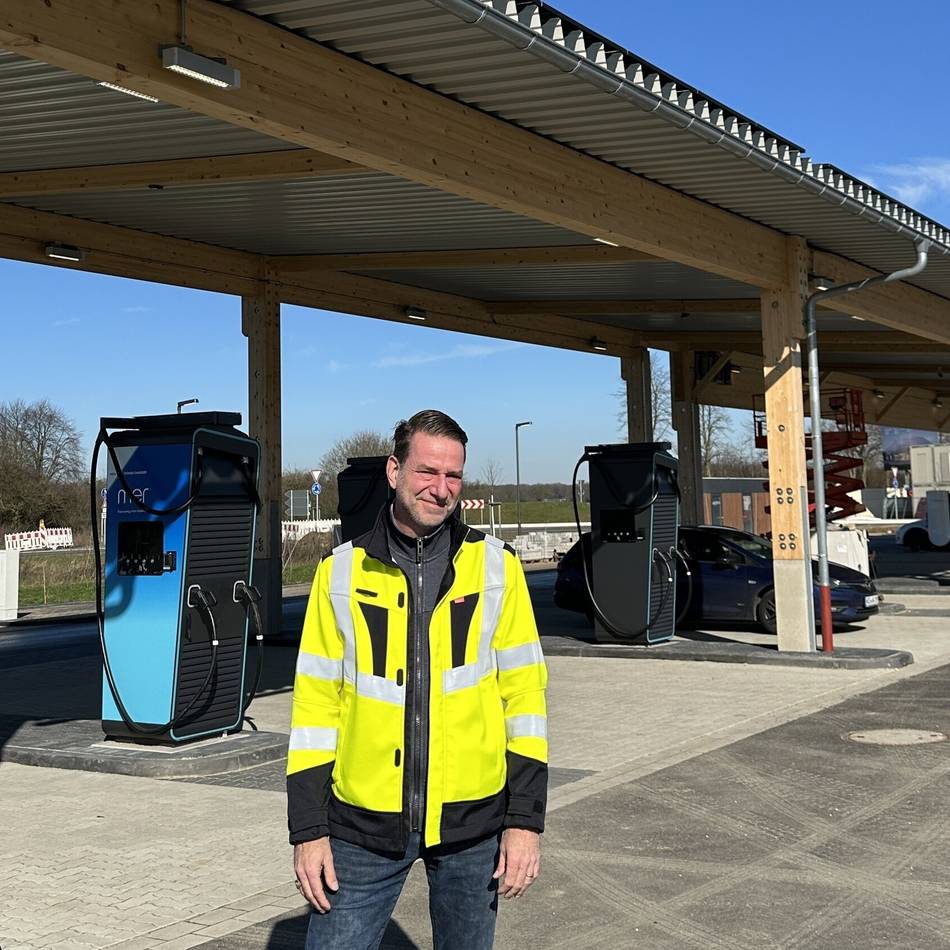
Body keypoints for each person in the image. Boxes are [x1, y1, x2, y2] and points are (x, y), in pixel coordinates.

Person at [288, 409, 549, 950]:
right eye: (428, 471)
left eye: (453, 475)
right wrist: (308, 830)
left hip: (473, 828)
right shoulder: (338, 574)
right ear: (393, 470)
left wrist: (525, 823)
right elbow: (315, 708)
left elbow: (524, 699)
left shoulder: (498, 568)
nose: (441, 488)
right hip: (362, 829)